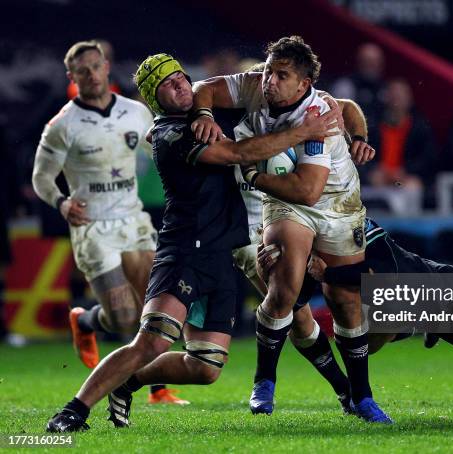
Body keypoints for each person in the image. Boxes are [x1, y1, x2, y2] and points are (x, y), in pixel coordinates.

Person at [45, 52, 338, 432]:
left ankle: (128, 383)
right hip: (184, 251)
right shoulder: (170, 135)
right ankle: (72, 410)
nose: (179, 85)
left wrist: (333, 109)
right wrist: (304, 132)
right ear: (155, 99)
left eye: (180, 77)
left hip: (222, 255)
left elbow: (237, 89)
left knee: (205, 367)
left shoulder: (210, 115)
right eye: (166, 85)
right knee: (152, 341)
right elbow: (237, 153)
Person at [191, 36, 391, 423]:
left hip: (333, 203)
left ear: (303, 85)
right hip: (277, 208)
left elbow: (309, 187)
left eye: (280, 75)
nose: (269, 81)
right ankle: (264, 382)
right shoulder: (250, 88)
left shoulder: (317, 115)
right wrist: (201, 114)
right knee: (287, 289)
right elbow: (206, 89)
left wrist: (254, 174)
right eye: (268, 71)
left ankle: (360, 395)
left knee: (346, 303)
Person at [258, 218, 453, 413]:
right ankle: (359, 391)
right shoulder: (308, 239)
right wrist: (273, 270)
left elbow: (385, 274)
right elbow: (295, 301)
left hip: (438, 290)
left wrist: (328, 275)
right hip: (400, 304)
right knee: (365, 338)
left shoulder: (354, 225)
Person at [32, 40, 185, 405]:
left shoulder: (136, 112)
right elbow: (41, 176)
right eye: (82, 70)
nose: (92, 75)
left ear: (106, 66)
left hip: (132, 220)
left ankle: (157, 388)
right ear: (72, 77)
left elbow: (160, 148)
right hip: (93, 226)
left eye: (96, 66)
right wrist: (62, 202)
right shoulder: (62, 125)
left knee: (158, 309)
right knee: (123, 317)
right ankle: (85, 321)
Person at [227, 85, 375, 414]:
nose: (268, 92)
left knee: (320, 304)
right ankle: (343, 390)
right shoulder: (228, 132)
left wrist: (360, 137)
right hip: (250, 234)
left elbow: (347, 105)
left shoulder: (300, 115)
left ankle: (350, 392)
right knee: (297, 315)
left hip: (297, 218)